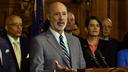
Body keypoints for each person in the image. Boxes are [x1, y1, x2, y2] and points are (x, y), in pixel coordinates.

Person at [30, 2, 86, 72]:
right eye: (57, 14)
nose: (61, 18)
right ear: (49, 17)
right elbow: (35, 70)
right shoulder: (39, 41)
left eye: (64, 14)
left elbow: (82, 67)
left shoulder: (75, 40)